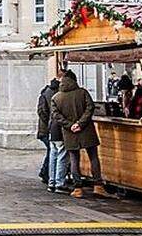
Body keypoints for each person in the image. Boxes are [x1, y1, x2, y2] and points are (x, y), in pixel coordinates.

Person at [51, 70, 110, 199]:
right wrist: (80, 123)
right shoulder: (83, 92)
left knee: (74, 159)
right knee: (93, 157)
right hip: (86, 130)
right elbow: (90, 108)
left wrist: (69, 125)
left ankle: (78, 188)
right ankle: (98, 186)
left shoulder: (56, 97)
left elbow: (56, 115)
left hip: (69, 132)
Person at [36, 71, 69, 191]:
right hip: (51, 128)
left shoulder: (47, 92)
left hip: (49, 128)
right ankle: (52, 178)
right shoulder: (54, 94)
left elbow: (41, 111)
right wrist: (49, 123)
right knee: (57, 153)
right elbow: (42, 112)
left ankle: (49, 178)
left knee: (53, 152)